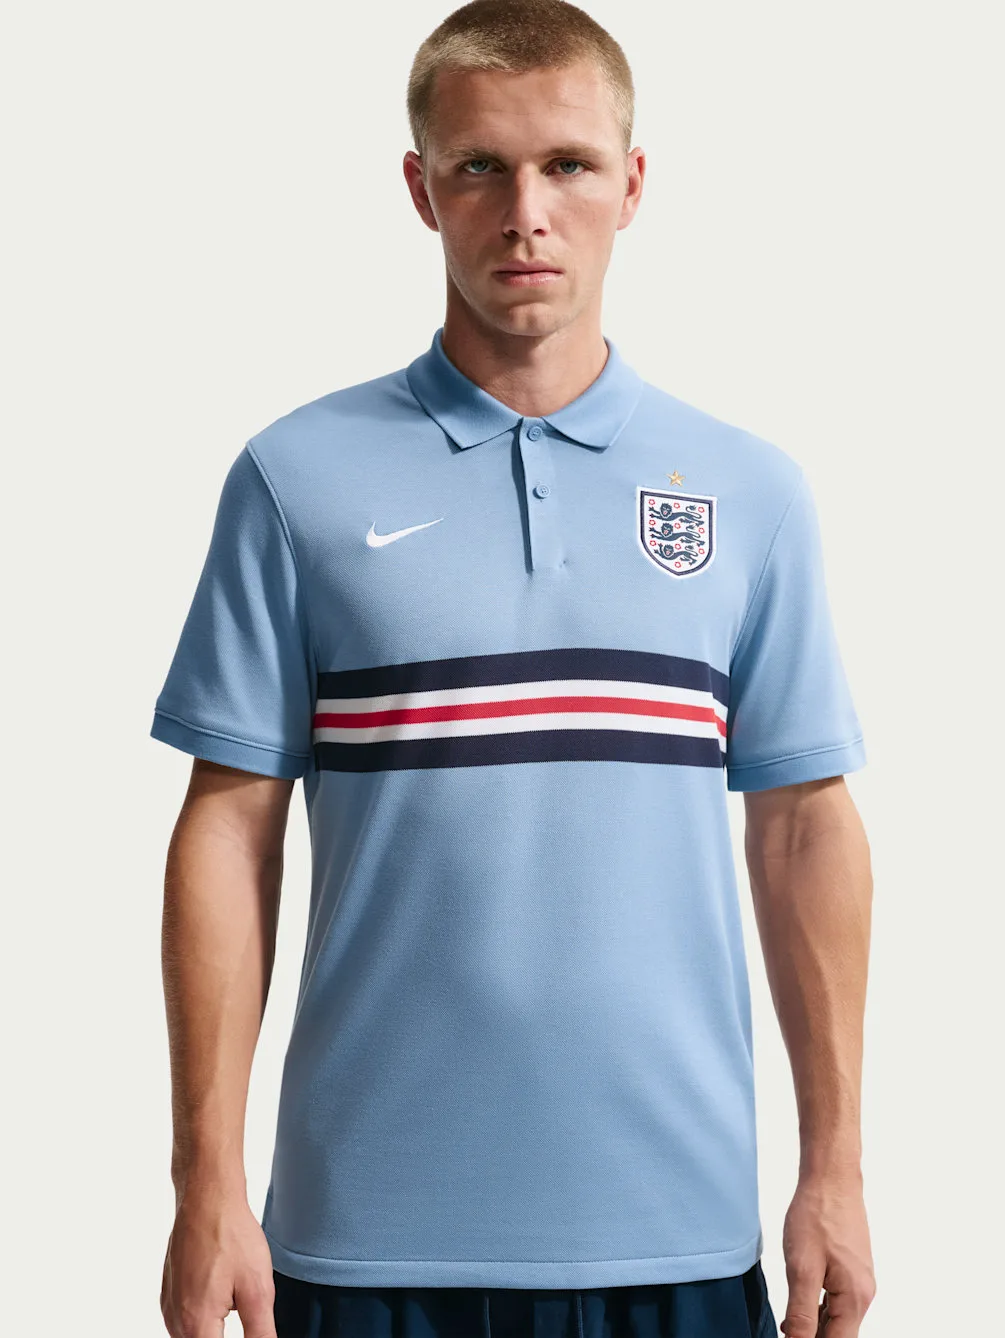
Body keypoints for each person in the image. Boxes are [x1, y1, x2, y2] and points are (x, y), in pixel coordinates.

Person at [151, 1, 876, 1335]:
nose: (526, 214)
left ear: (632, 185)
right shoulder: (295, 480)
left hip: (674, 1229)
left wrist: (834, 1165)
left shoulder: (749, 492)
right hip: (362, 1239)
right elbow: (229, 826)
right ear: (420, 188)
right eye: (480, 166)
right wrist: (206, 1181)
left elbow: (802, 828)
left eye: (568, 165)